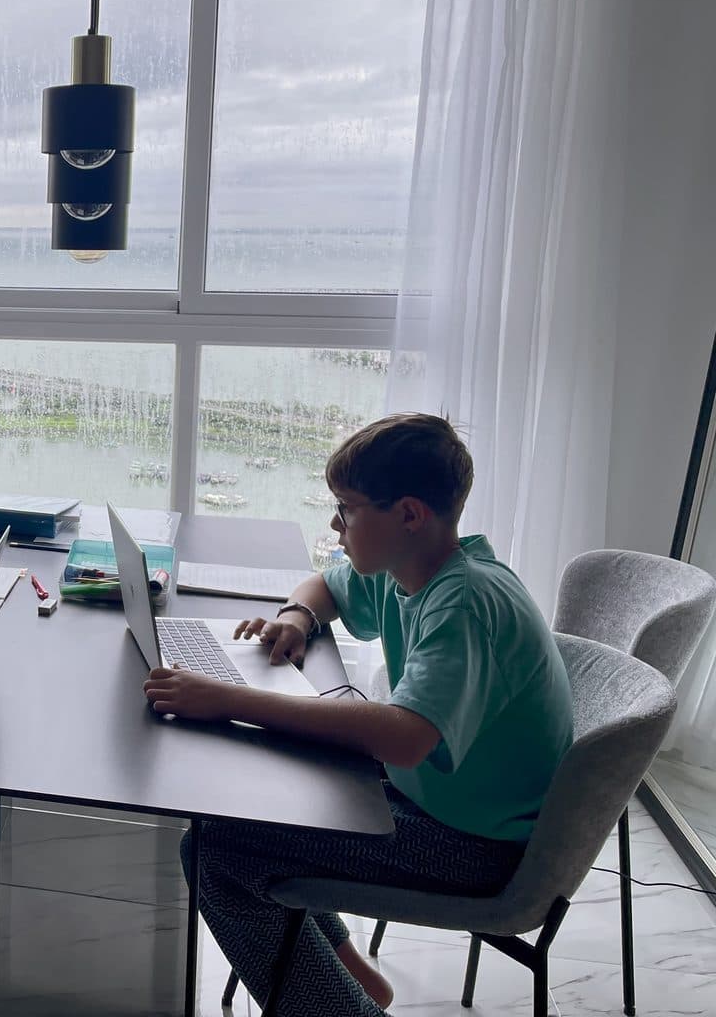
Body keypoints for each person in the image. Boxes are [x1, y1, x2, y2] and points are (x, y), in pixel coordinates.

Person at [142, 413, 574, 1016]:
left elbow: (403, 739)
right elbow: (326, 584)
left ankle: (340, 1006)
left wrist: (227, 698)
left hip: (476, 846)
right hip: (436, 804)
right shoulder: (413, 569)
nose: (335, 523)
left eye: (346, 508)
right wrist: (295, 617)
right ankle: (352, 986)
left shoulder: (465, 602)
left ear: (408, 514)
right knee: (254, 810)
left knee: (218, 851)